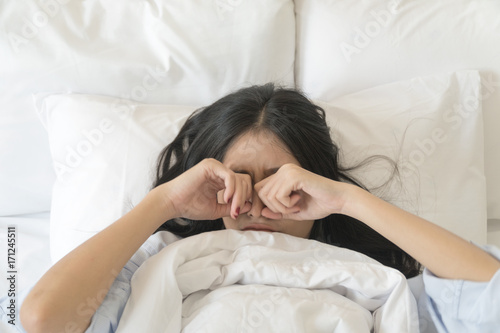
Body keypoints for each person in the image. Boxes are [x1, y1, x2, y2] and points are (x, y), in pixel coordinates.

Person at [16, 83, 500, 333]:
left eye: (282, 181)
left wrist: (349, 200)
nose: (259, 202)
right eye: (240, 179)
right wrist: (162, 203)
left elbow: (492, 294)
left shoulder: (371, 280)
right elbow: (43, 320)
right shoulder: (159, 267)